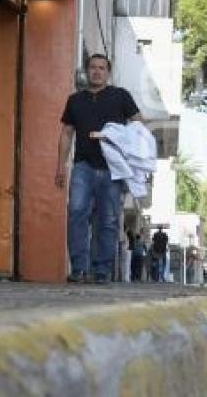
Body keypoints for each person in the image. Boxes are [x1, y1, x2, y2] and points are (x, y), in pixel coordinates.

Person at [56, 54, 142, 284]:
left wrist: (126, 147)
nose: (96, 72)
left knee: (108, 219)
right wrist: (60, 166)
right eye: (92, 68)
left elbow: (138, 124)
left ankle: (102, 270)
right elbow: (66, 133)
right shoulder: (75, 100)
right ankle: (78, 269)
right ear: (87, 71)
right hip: (82, 166)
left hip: (112, 169)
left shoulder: (120, 96)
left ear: (108, 72)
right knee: (76, 215)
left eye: (101, 68)